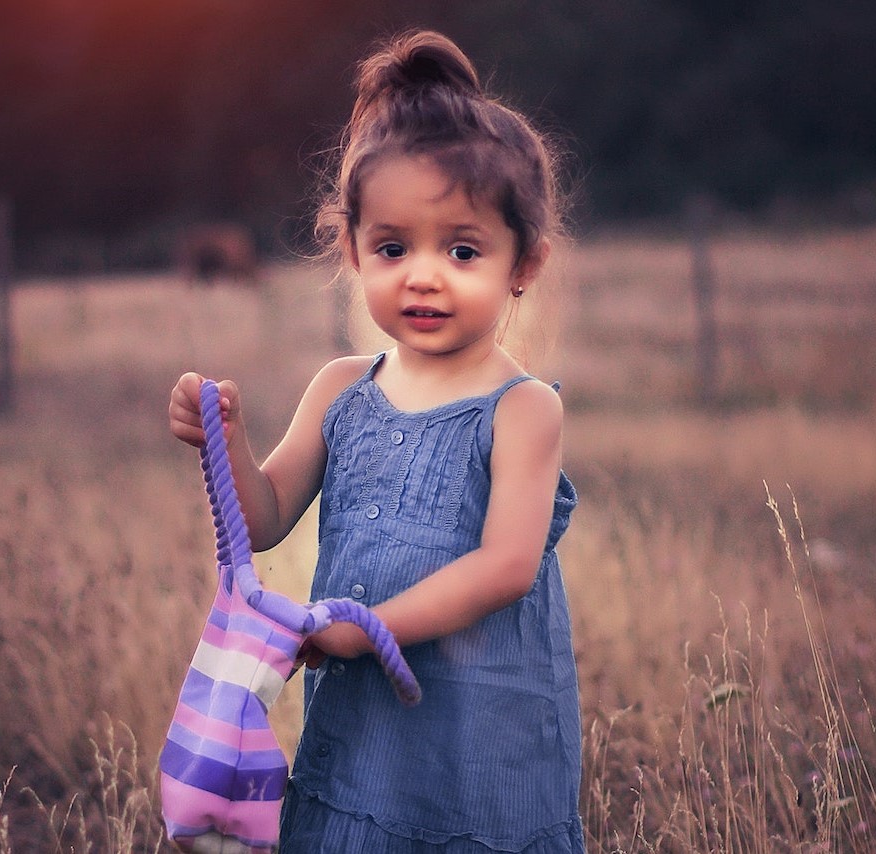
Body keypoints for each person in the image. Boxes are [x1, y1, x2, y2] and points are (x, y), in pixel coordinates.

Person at [168, 29, 583, 852]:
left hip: (480, 737)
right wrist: (224, 443)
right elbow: (261, 520)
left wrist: (367, 628)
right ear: (354, 248)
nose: (422, 274)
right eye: (392, 247)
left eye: (461, 249)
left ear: (522, 262)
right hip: (361, 732)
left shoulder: (522, 409)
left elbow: (505, 566)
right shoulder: (339, 390)